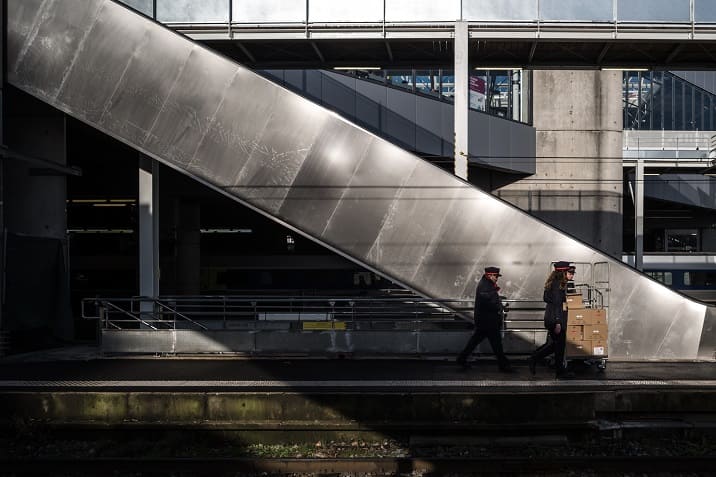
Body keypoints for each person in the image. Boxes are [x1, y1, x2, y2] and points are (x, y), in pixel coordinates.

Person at [456, 267, 514, 373]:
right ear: (490, 275)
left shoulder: (486, 284)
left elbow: (491, 299)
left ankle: (461, 359)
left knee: (475, 342)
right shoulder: (485, 286)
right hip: (488, 321)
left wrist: (499, 304)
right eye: (496, 276)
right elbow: (490, 302)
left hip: (485, 321)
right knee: (496, 345)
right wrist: (501, 307)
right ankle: (504, 365)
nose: (497, 278)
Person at [528, 261, 576, 379]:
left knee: (556, 345)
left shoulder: (553, 283)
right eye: (568, 272)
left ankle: (535, 358)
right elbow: (557, 304)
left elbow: (547, 298)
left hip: (551, 318)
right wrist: (558, 322)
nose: (571, 275)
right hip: (556, 319)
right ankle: (558, 372)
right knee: (558, 346)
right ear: (563, 272)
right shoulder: (558, 285)